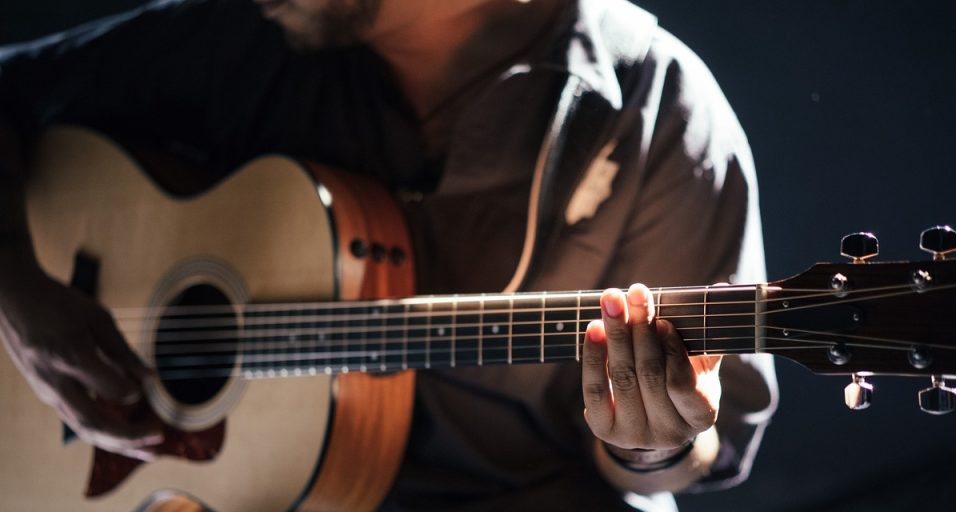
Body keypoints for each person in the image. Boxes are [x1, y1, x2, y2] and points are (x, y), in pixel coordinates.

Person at [0, 0, 777, 509]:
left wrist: (651, 440)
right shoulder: (245, 39)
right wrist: (17, 288)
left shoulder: (659, 108)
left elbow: (702, 444)